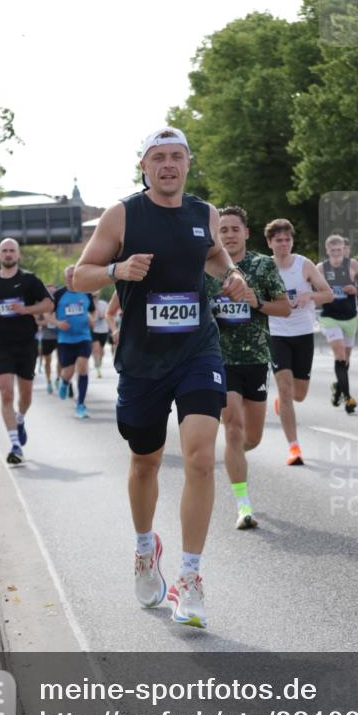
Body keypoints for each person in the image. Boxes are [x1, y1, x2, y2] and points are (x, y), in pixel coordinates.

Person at [74, 125, 247, 629]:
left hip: (198, 350)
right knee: (145, 461)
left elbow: (214, 255)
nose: (168, 165)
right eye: (158, 158)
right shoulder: (123, 214)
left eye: (177, 157)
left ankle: (190, 578)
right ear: (144, 166)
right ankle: (145, 548)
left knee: (199, 457)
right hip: (143, 361)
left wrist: (230, 275)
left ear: (188, 164)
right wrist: (116, 271)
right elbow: (78, 275)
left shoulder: (204, 214)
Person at [205, 206, 291, 528]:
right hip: (218, 358)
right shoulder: (207, 268)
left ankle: (235, 456)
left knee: (250, 438)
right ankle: (243, 505)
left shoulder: (262, 265)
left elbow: (284, 308)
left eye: (233, 229)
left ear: (246, 233)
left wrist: (256, 302)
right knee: (233, 427)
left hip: (255, 357)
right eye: (222, 230)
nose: (228, 235)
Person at [0, 238, 53, 464]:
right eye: (4, 251)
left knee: (25, 396)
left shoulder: (29, 280)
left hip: (26, 344)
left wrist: (26, 309)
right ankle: (15, 446)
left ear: (18, 255)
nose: (8, 254)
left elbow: (48, 305)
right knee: (6, 393)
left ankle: (20, 419)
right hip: (0, 344)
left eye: (12, 251)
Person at [265, 218, 333, 465]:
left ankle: (283, 402)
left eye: (287, 240)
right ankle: (294, 448)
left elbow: (328, 294)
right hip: (276, 333)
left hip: (303, 333)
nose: (284, 244)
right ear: (270, 243)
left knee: (299, 394)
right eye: (278, 240)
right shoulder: (265, 267)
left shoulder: (304, 265)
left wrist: (310, 294)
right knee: (285, 388)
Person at [316, 234, 358, 413]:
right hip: (330, 316)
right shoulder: (320, 268)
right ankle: (348, 397)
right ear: (327, 250)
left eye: (339, 250)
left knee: (346, 359)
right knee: (340, 354)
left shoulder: (353, 265)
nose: (336, 253)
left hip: (350, 317)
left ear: (344, 249)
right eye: (333, 250)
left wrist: (356, 289)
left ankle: (338, 388)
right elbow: (311, 288)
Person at [52, 265, 95, 418]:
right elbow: (47, 314)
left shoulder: (86, 293)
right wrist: (58, 324)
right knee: (68, 372)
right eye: (70, 275)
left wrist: (92, 319)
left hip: (84, 337)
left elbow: (92, 310)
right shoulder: (58, 294)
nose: (73, 277)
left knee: (83, 367)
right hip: (65, 339)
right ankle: (63, 382)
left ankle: (81, 404)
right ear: (66, 278)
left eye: (75, 274)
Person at [36, 284, 59, 393]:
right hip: (47, 336)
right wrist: (47, 321)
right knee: (47, 360)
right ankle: (49, 381)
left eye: (54, 292)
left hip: (60, 335)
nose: (52, 294)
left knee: (62, 360)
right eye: (49, 292)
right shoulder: (41, 306)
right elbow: (36, 321)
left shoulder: (60, 304)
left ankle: (58, 378)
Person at [91, 292, 110, 377]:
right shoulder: (90, 305)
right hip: (94, 329)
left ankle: (99, 362)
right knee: (96, 348)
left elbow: (104, 316)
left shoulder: (103, 304)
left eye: (95, 296)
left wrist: (97, 307)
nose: (94, 297)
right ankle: (97, 366)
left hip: (103, 330)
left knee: (101, 351)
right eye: (93, 296)